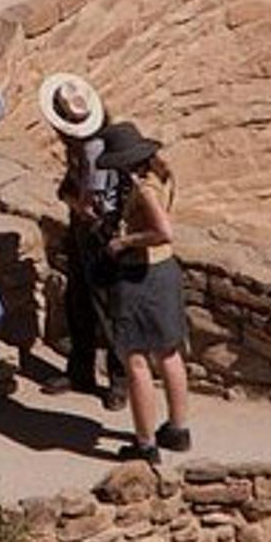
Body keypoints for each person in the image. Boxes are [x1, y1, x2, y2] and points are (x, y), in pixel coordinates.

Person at [95, 120, 192, 465]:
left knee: (135, 359)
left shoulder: (143, 187)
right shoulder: (164, 174)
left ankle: (145, 443)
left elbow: (162, 231)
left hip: (140, 274)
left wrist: (123, 241)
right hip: (165, 271)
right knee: (168, 352)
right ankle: (178, 430)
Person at [35, 73, 125, 408]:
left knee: (106, 306)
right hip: (82, 230)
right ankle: (80, 370)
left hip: (98, 232)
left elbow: (91, 207)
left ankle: (119, 382)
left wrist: (67, 197)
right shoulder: (83, 145)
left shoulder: (93, 149)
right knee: (78, 299)